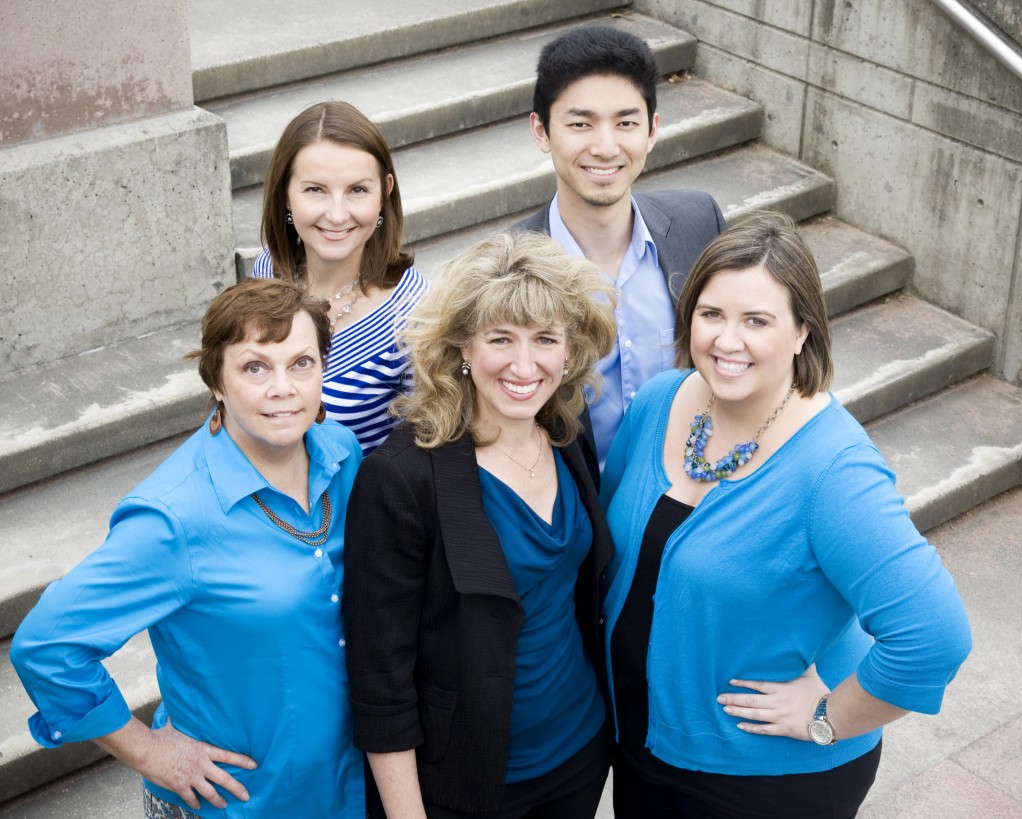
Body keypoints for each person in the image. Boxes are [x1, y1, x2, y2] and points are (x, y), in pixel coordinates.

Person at [599, 212, 972, 818]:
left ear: (803, 332)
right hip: (644, 743)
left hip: (760, 780)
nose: (726, 340)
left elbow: (933, 636)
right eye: (711, 314)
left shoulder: (833, 469)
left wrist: (828, 718)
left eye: (757, 321)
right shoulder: (666, 399)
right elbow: (613, 549)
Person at [11, 279, 365, 818]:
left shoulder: (341, 452)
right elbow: (46, 645)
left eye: (301, 363)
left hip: (347, 787)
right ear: (216, 381)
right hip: (241, 804)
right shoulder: (173, 518)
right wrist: (150, 752)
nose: (283, 387)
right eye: (254, 367)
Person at [343, 231, 619, 818]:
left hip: (581, 752)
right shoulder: (401, 479)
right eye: (501, 338)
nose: (525, 365)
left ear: (569, 350)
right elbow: (380, 678)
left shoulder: (568, 428)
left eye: (546, 339)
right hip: (469, 785)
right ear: (462, 346)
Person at [515, 25, 727, 469]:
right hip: (579, 516)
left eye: (626, 123)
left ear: (651, 130)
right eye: (580, 124)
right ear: (541, 131)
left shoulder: (699, 222)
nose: (606, 147)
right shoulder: (507, 267)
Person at [254, 100, 428, 454]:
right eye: (315, 190)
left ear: (385, 192)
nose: (336, 215)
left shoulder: (413, 312)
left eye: (357, 190)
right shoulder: (267, 270)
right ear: (286, 195)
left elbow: (423, 451)